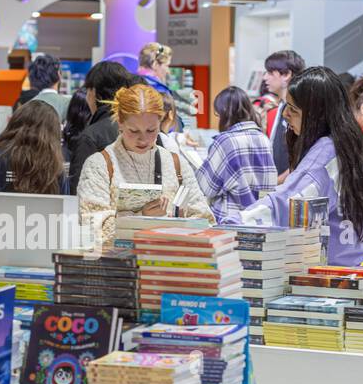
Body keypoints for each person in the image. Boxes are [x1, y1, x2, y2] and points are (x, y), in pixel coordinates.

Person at [241, 67, 363, 267]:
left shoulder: (325, 153)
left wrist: (227, 226)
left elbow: (285, 205)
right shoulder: (359, 147)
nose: (285, 114)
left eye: (293, 109)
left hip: (333, 277)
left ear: (316, 115)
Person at [77, 83, 212, 246]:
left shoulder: (176, 163)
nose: (143, 139)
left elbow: (205, 221)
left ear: (161, 121)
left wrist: (179, 223)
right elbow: (92, 229)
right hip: (119, 266)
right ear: (120, 122)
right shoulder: (99, 165)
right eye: (134, 131)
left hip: (169, 264)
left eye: (151, 130)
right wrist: (142, 218)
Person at [195, 85, 277, 224]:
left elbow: (205, 187)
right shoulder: (263, 139)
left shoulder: (226, 142)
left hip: (231, 221)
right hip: (260, 219)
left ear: (224, 112)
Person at [66, 60, 132, 193]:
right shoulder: (139, 129)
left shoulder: (91, 136)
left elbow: (78, 189)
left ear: (94, 92)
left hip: (99, 210)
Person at [261, 49, 305, 177]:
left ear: (286, 74)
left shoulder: (297, 111)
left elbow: (300, 158)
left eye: (270, 72)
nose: (265, 77)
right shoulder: (281, 106)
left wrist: (276, 183)